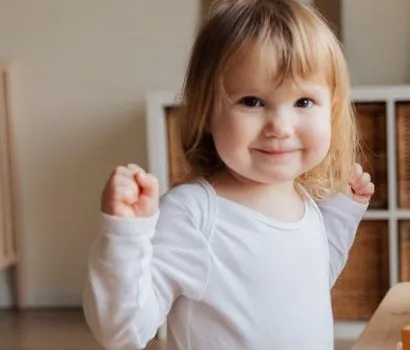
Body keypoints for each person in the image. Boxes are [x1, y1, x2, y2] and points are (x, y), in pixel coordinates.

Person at [82, 0, 374, 349]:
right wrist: (125, 236)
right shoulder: (194, 215)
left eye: (304, 102)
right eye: (252, 101)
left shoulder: (303, 201)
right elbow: (123, 330)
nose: (280, 127)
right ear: (206, 110)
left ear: (333, 109)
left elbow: (312, 281)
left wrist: (342, 213)